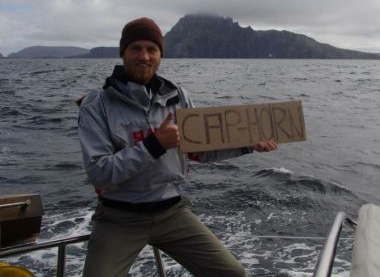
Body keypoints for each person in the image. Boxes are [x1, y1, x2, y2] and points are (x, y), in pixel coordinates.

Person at [78, 17, 277, 277]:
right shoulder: (97, 104)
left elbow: (200, 150)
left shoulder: (178, 96)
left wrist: (247, 144)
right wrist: (154, 145)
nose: (144, 56)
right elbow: (99, 173)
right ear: (123, 53)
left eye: (152, 49)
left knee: (233, 274)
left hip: (172, 213)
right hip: (119, 218)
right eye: (136, 48)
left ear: (160, 55)